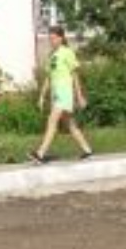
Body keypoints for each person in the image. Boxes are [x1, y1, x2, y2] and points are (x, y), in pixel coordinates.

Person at [29, 26, 92, 163]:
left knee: (52, 121)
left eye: (54, 38)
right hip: (55, 94)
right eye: (49, 38)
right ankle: (87, 150)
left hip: (65, 92)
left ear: (61, 38)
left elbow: (75, 75)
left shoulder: (67, 52)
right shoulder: (52, 55)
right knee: (70, 124)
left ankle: (40, 153)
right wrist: (41, 96)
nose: (51, 40)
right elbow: (48, 78)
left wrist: (79, 96)